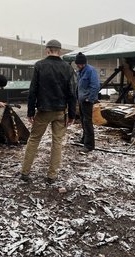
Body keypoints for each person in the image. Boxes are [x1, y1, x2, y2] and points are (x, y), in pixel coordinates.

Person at [21, 39, 76, 184]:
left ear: (47, 50)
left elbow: (33, 90)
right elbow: (72, 93)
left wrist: (30, 111)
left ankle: (25, 172)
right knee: (57, 142)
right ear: (60, 51)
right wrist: (71, 114)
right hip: (60, 111)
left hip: (43, 110)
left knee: (33, 140)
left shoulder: (40, 65)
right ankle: (52, 175)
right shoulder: (68, 68)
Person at [75, 52, 100, 153]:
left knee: (87, 122)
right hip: (81, 100)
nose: (78, 65)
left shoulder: (90, 70)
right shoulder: (80, 71)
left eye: (79, 64)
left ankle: (89, 145)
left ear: (83, 63)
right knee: (83, 120)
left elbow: (96, 86)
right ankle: (84, 139)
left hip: (87, 101)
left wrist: (90, 98)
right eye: (77, 64)